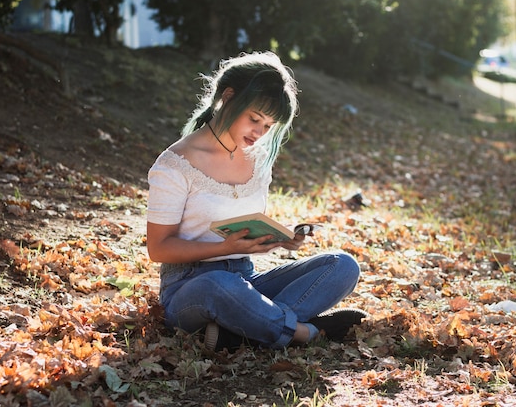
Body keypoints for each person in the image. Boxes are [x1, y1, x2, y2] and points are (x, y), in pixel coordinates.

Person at [146, 51, 364, 352]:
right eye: (254, 119)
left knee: (342, 265)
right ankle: (305, 333)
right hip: (191, 288)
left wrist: (281, 238)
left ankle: (243, 331)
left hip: (246, 280)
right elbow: (158, 249)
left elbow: (244, 227)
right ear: (228, 97)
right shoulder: (175, 164)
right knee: (220, 286)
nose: (259, 133)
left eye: (268, 125)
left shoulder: (258, 160)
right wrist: (224, 248)